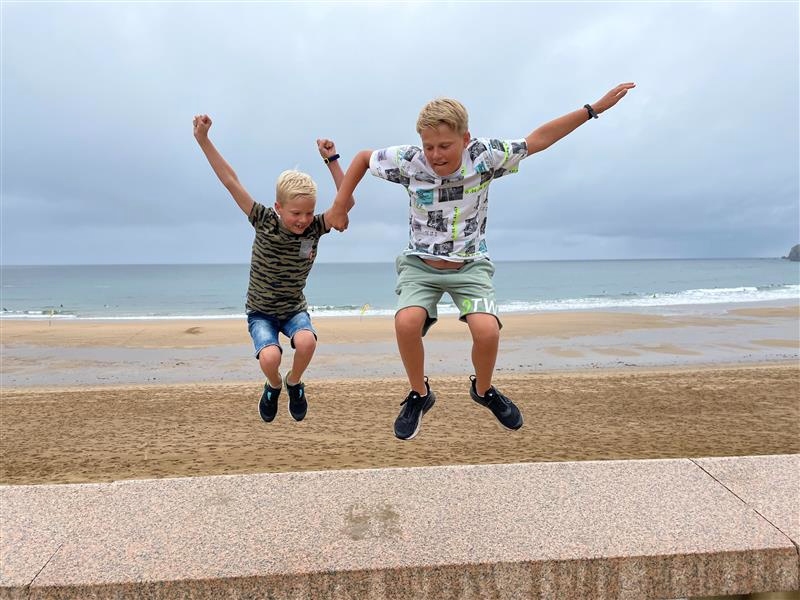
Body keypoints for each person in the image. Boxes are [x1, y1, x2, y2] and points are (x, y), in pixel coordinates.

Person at [326, 83, 635, 440]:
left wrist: (592, 109)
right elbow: (365, 157)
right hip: (420, 266)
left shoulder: (484, 156)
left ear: (465, 137)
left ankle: (484, 390)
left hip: (470, 265)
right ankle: (419, 394)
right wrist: (340, 203)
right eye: (429, 146)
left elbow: (539, 139)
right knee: (406, 324)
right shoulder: (410, 162)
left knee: (487, 331)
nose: (436, 155)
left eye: (445, 146)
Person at [193, 114, 353, 423]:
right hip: (261, 311)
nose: (303, 220)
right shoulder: (263, 220)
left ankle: (294, 382)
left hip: (293, 309)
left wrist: (332, 160)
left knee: (307, 341)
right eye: (295, 213)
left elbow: (344, 206)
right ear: (278, 208)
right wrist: (203, 140)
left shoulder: (316, 228)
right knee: (270, 356)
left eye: (308, 212)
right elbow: (230, 181)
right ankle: (274, 384)